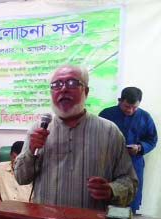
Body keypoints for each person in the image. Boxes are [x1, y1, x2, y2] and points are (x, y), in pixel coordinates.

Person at [14, 64, 138, 210]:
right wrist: (30, 151)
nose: (63, 89)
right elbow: (21, 178)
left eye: (72, 83)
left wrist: (111, 190)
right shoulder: (38, 130)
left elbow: (130, 181)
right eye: (57, 84)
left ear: (86, 91)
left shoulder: (110, 131)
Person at [99, 87, 157, 213]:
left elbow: (152, 139)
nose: (130, 110)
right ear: (120, 100)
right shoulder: (106, 114)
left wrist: (140, 147)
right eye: (126, 106)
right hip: (109, 163)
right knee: (105, 199)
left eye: (134, 107)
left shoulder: (145, 117)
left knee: (131, 201)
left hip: (134, 163)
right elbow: (95, 136)